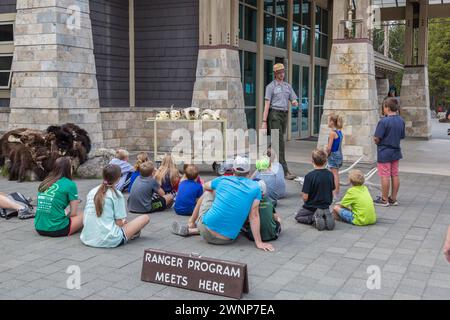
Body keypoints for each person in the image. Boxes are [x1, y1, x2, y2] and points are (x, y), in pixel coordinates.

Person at [171, 156, 274, 252]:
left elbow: (205, 186)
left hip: (205, 230)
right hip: (227, 239)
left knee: (208, 193)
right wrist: (259, 242)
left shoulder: (223, 179)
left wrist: (219, 193)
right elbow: (254, 215)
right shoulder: (255, 188)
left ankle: (191, 223)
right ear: (248, 172)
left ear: (233, 170)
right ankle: (192, 230)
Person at [81, 164, 150, 248]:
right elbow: (119, 223)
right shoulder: (116, 195)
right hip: (109, 239)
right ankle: (132, 234)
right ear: (118, 179)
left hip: (87, 237)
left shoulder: (92, 191)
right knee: (145, 218)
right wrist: (125, 223)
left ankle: (131, 233)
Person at [261, 63, 299, 180]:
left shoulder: (287, 86)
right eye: (279, 73)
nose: (282, 74)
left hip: (284, 115)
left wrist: (294, 102)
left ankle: (267, 153)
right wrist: (264, 121)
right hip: (274, 114)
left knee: (276, 140)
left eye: (283, 72)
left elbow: (294, 99)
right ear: (275, 74)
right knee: (280, 143)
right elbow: (267, 105)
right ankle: (285, 170)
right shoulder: (270, 87)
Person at [34, 157, 83, 237]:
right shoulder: (70, 184)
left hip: (39, 227)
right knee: (86, 214)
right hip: (57, 229)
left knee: (60, 210)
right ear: (69, 169)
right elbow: (73, 214)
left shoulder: (46, 181)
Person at [373, 97, 405, 207]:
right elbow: (402, 136)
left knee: (384, 175)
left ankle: (384, 199)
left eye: (384, 107)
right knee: (395, 174)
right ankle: (393, 198)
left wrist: (376, 141)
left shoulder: (383, 121)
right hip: (396, 151)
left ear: (387, 107)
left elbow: (377, 138)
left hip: (384, 151)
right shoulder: (401, 120)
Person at [295, 149, 335, 231]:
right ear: (325, 161)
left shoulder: (309, 176)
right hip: (326, 204)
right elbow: (332, 191)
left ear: (312, 161)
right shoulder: (330, 174)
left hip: (312, 206)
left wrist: (306, 202)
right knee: (321, 209)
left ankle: (314, 218)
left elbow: (305, 197)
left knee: (298, 216)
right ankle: (324, 215)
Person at [326, 114, 344, 200]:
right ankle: (336, 192)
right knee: (336, 174)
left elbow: (329, 147)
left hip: (333, 155)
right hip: (339, 154)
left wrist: (326, 154)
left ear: (332, 122)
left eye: (329, 120)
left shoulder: (332, 133)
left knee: (335, 175)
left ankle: (335, 194)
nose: (328, 122)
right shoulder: (339, 132)